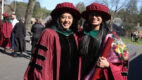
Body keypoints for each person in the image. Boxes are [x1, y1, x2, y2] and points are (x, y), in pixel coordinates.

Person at [24, 2, 81, 80]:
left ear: (73, 20)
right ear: (58, 18)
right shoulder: (49, 34)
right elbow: (41, 61)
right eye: (63, 17)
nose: (66, 20)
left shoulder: (74, 36)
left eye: (69, 17)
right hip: (53, 75)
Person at [79, 3, 129, 80]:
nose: (94, 17)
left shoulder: (111, 37)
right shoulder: (81, 35)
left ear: (102, 17)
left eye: (97, 15)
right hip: (81, 74)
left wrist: (108, 64)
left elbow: (125, 57)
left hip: (99, 75)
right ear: (88, 17)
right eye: (91, 14)